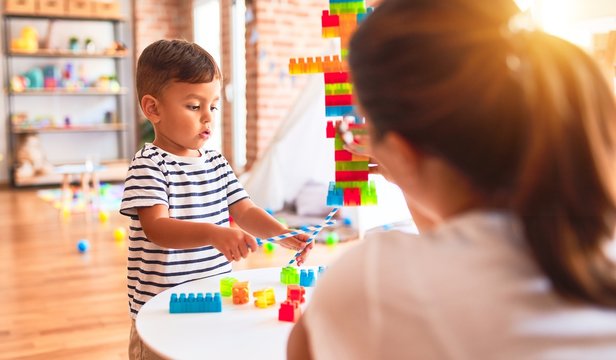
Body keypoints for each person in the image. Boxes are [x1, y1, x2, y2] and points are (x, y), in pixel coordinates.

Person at [288, 0, 616, 358]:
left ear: (400, 149)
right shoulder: (596, 244)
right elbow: (458, 244)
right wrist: (405, 174)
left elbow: (304, 347)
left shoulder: (371, 282)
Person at [120, 39, 311, 359]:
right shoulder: (150, 164)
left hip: (212, 300)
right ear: (153, 108)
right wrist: (213, 233)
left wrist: (284, 234)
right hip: (161, 311)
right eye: (194, 106)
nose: (208, 117)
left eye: (213, 106)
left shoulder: (217, 162)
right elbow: (157, 228)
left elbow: (245, 210)